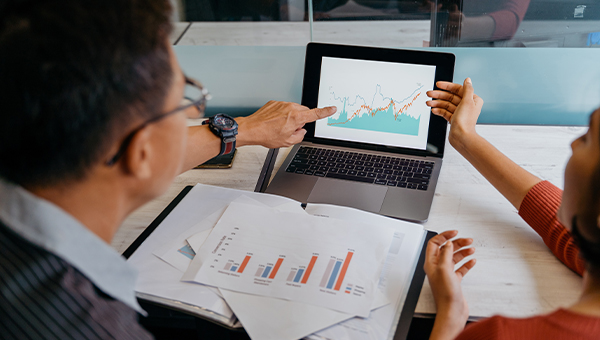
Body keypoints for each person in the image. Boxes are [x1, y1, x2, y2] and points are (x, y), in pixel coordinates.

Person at [0, 0, 335, 339]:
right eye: (183, 102)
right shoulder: (98, 328)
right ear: (142, 152)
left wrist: (244, 129)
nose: (194, 119)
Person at [422, 78, 600, 339]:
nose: (574, 142)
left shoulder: (500, 334)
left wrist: (450, 316)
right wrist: (465, 138)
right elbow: (563, 225)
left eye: (587, 139)